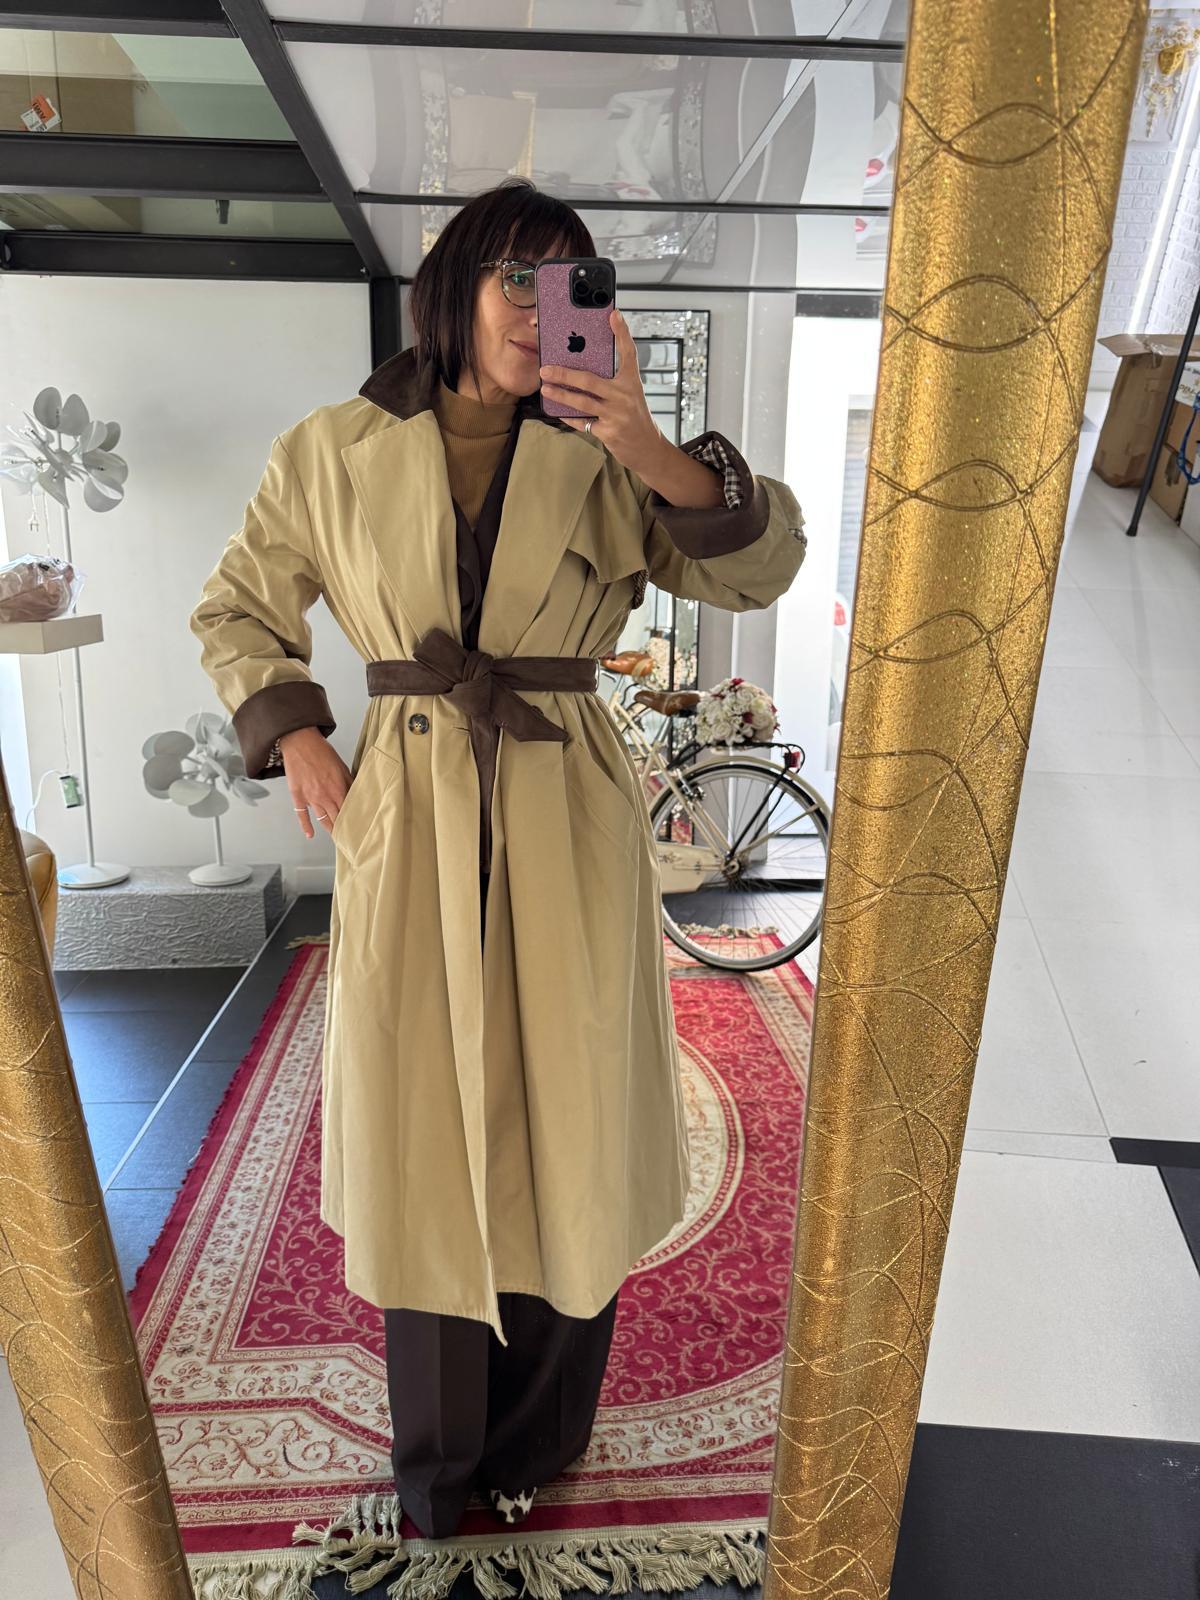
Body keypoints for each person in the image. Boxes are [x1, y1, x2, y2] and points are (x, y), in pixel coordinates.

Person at [189, 177, 807, 1540]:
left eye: (573, 285)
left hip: (559, 797)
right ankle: (436, 1458)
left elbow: (757, 571)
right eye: (516, 279)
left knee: (566, 1109)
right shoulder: (335, 447)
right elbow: (238, 605)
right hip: (411, 803)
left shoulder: (610, 450)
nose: (541, 311)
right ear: (455, 286)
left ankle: (539, 1437)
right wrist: (299, 735)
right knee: (424, 1118)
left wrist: (646, 441)